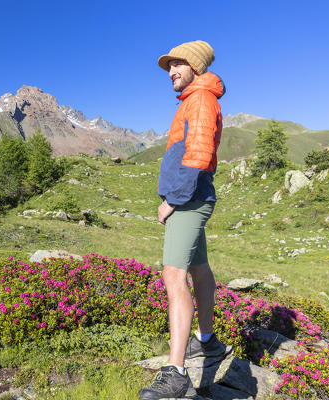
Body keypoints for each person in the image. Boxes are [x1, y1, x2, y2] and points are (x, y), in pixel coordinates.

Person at [139, 40, 228, 400]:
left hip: (189, 201)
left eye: (178, 64)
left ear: (195, 66)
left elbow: (199, 153)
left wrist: (172, 201)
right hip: (193, 197)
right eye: (169, 66)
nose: (172, 71)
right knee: (199, 270)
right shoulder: (195, 98)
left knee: (173, 276)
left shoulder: (202, 99)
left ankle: (175, 374)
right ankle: (206, 340)